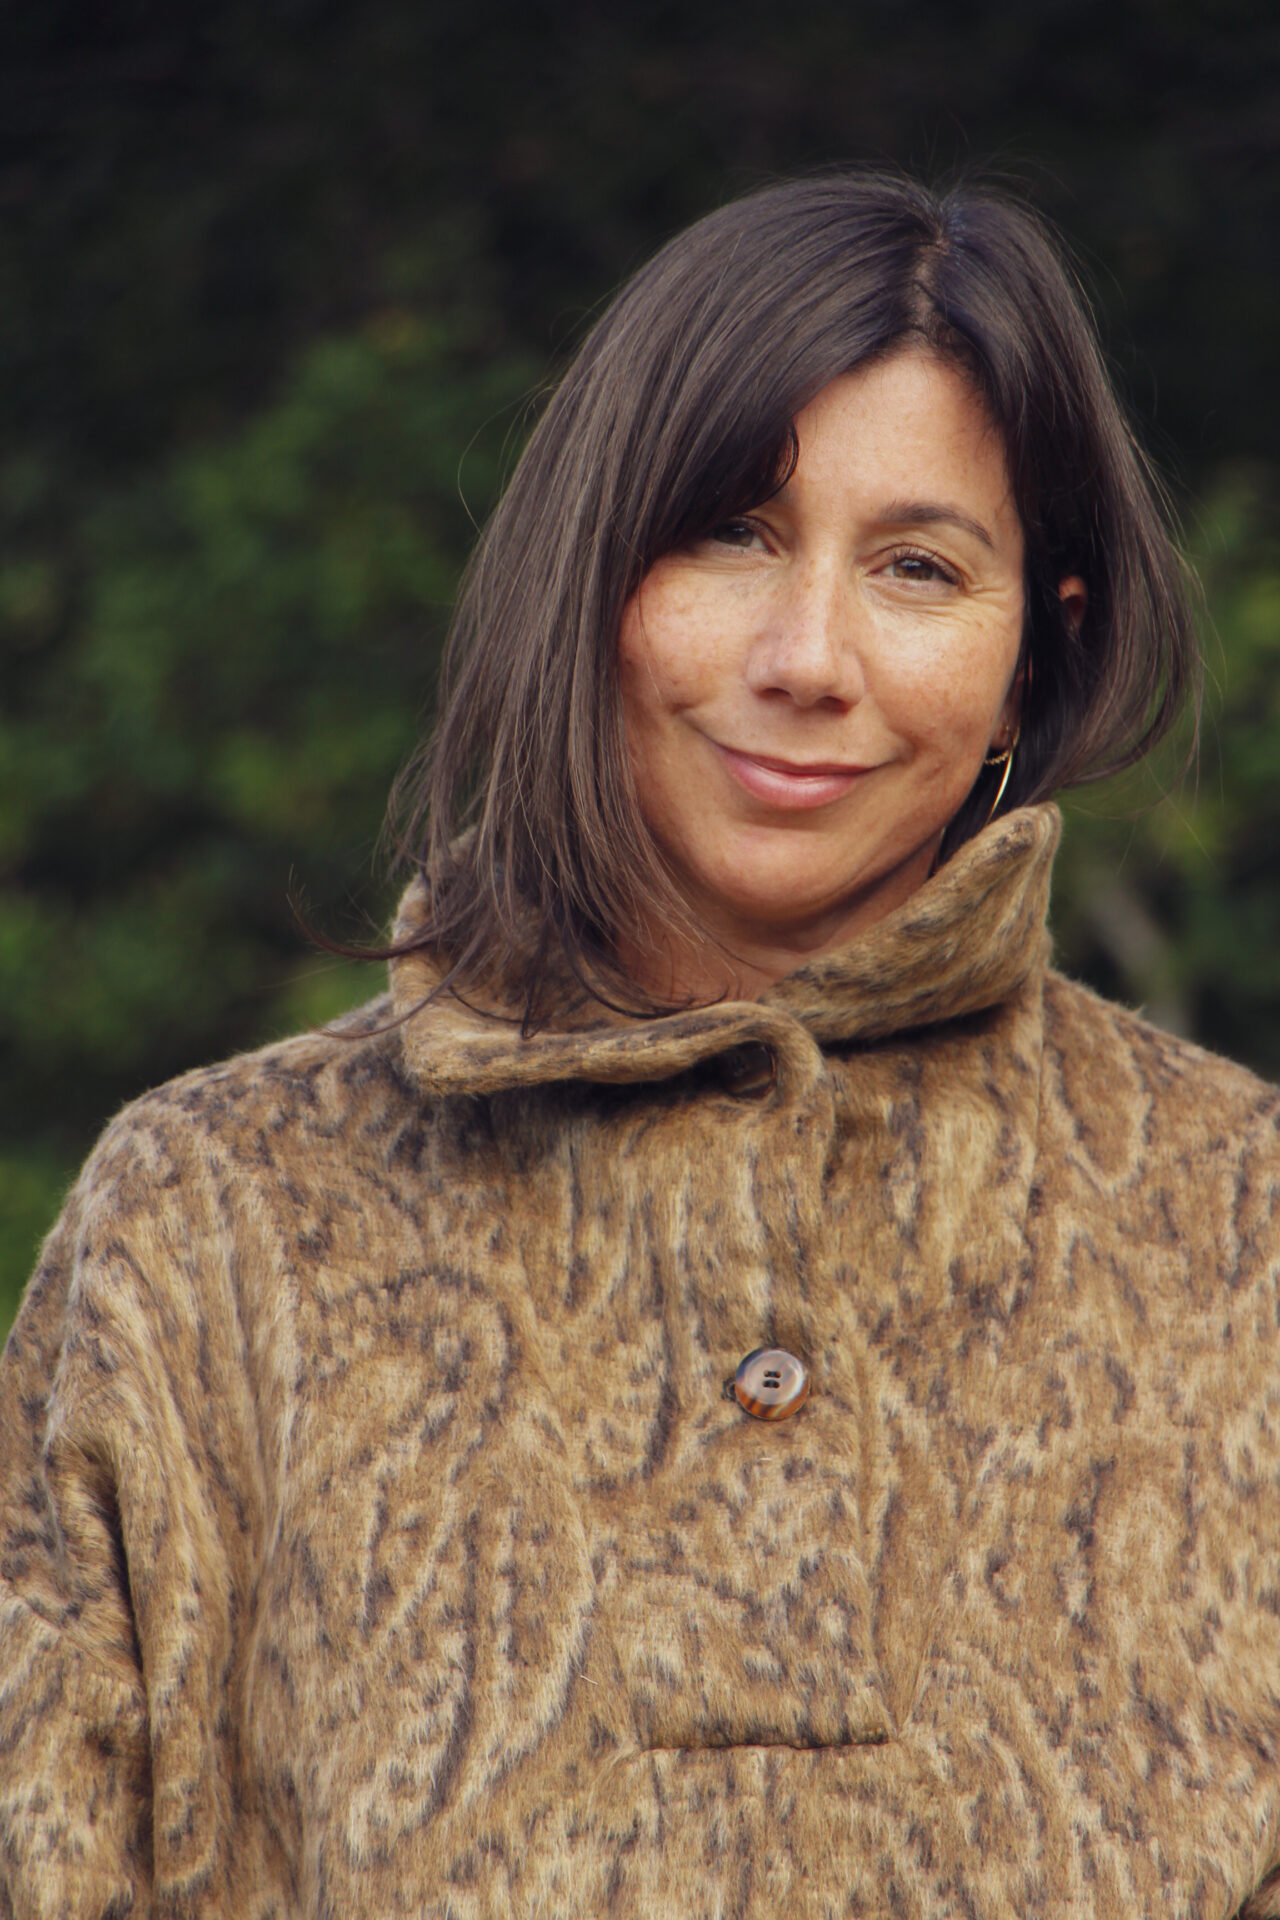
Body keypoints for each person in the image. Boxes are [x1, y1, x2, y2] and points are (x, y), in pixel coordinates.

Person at [2, 170, 1278, 1920]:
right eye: (732, 533)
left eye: (918, 567)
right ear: (594, 572)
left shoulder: (1243, 1227)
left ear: (1033, 648)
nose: (807, 656)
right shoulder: (208, 1220)